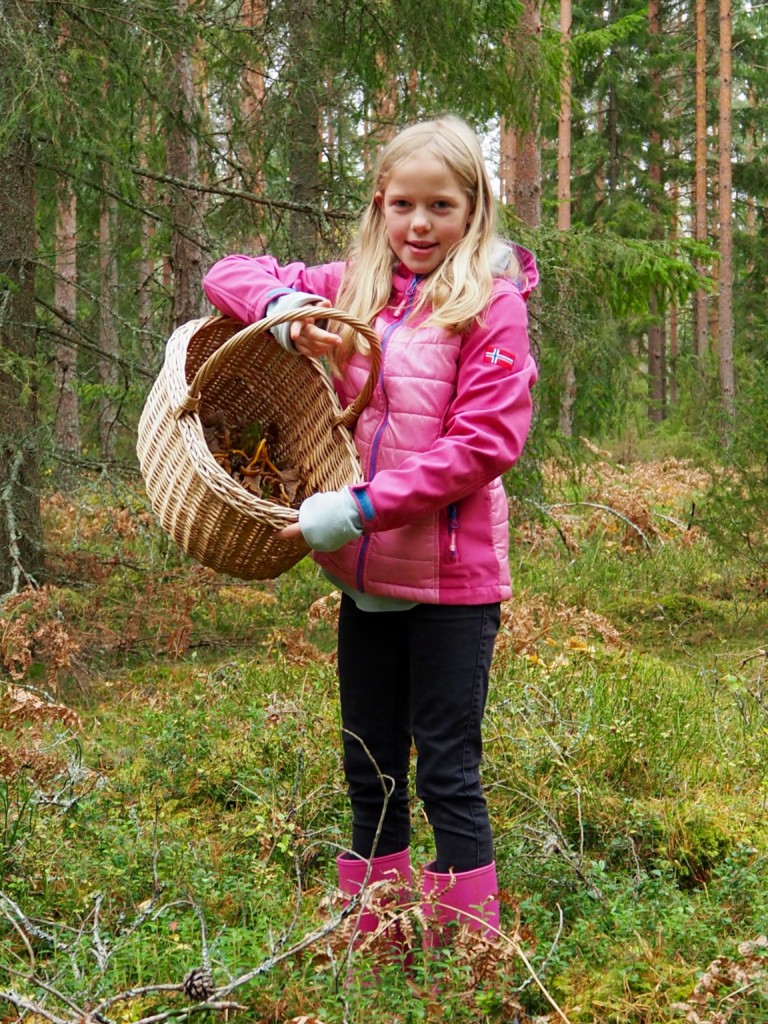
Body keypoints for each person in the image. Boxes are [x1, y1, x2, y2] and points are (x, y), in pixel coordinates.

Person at [202, 115, 538, 956]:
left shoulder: (491, 306)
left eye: (442, 206)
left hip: (452, 582)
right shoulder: (353, 284)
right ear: (380, 206)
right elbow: (226, 272)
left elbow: (485, 444)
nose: (419, 225)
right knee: (370, 760)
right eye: (402, 204)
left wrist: (360, 506)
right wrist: (281, 308)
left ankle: (468, 950)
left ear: (475, 210)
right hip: (366, 578)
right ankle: (378, 934)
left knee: (448, 770)